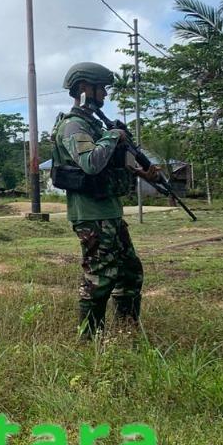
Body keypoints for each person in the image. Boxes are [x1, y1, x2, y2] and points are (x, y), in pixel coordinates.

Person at [50, 61, 154, 340]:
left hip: (109, 210)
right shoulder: (73, 126)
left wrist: (141, 171)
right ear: (84, 88)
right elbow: (91, 163)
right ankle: (89, 339)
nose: (105, 95)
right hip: (91, 214)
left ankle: (126, 329)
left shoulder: (94, 124)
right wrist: (112, 136)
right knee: (99, 276)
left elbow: (110, 163)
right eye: (101, 89)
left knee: (130, 272)